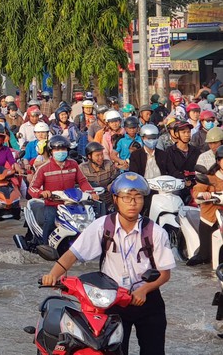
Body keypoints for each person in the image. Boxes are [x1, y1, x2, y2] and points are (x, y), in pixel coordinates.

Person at [41, 173, 174, 355]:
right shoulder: (103, 226)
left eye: (138, 198)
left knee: (154, 351)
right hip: (112, 300)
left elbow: (165, 273)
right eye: (127, 198)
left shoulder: (156, 232)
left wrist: (144, 290)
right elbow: (72, 254)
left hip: (147, 299)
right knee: (110, 350)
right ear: (116, 199)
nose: (133, 203)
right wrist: (53, 275)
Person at [29, 136, 97, 244]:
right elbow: (32, 188)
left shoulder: (73, 164)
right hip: (52, 204)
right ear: (51, 151)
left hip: (72, 204)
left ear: (67, 150)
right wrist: (42, 193)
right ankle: (45, 246)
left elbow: (83, 181)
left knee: (88, 219)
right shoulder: (44, 168)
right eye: (57, 149)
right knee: (50, 221)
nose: (60, 152)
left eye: (63, 149)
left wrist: (92, 192)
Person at [189, 146, 223, 266]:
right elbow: (196, 192)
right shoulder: (209, 177)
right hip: (210, 219)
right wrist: (205, 194)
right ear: (218, 161)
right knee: (205, 257)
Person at [163, 121, 201, 203]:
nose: (187, 135)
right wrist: (184, 180)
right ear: (176, 134)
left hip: (194, 186)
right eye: (183, 132)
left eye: (188, 132)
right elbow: (171, 170)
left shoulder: (196, 151)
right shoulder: (169, 152)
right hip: (176, 187)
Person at [80, 141, 118, 212]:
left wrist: (112, 184)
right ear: (89, 156)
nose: (100, 158)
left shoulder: (108, 164)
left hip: (108, 201)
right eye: (97, 155)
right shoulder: (82, 168)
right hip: (90, 202)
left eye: (102, 155)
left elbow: (116, 178)